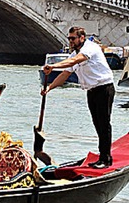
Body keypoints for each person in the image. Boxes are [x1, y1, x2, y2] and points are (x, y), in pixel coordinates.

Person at [41, 26, 115, 169]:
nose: (70, 41)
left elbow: (74, 61)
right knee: (97, 124)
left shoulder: (90, 48)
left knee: (104, 124)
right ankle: (103, 156)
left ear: (81, 38)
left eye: (73, 38)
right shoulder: (75, 54)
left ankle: (106, 159)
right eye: (69, 38)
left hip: (104, 88)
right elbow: (65, 74)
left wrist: (53, 66)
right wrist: (49, 88)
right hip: (91, 91)